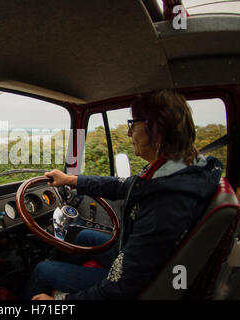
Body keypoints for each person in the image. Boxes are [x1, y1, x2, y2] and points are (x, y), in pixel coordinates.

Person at [21, 89, 223, 300]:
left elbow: (121, 289)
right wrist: (71, 180)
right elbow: (124, 185)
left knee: (43, 270)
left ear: (157, 131)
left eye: (132, 125)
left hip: (138, 284)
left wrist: (60, 301)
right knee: (82, 236)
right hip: (142, 258)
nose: (129, 134)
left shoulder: (167, 202)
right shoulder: (176, 171)